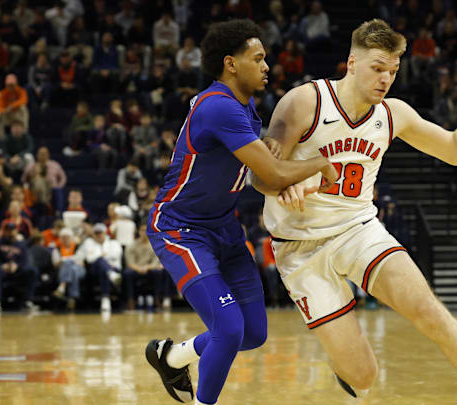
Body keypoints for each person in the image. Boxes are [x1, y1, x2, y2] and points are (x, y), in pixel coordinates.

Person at [254, 19, 457, 405]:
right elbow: (261, 175)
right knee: (364, 376)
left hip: (359, 230)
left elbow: (454, 149)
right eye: (377, 68)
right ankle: (346, 365)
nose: (386, 79)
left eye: (393, 71)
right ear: (351, 63)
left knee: (430, 310)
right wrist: (285, 180)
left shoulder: (393, 113)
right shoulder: (305, 102)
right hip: (300, 248)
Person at [144, 19, 338, 405]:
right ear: (231, 64)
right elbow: (272, 173)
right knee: (229, 330)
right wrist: (321, 163)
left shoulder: (245, 110)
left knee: (252, 333)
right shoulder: (219, 107)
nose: (268, 66)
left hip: (225, 230)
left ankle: (172, 355)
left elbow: (260, 170)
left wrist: (265, 143)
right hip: (181, 229)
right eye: (259, 58)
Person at [0, 222, 38, 312]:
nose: (10, 232)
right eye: (8, 230)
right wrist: (2, 265)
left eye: (12, 230)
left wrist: (17, 266)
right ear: (5, 232)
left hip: (17, 271)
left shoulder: (21, 245)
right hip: (3, 270)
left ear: (16, 231)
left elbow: (25, 261)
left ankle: (28, 300)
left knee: (32, 270)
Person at [76, 223, 122, 312]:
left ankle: (105, 300)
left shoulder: (114, 243)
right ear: (93, 234)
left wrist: (98, 256)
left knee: (103, 268)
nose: (99, 235)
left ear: (105, 233)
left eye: (100, 233)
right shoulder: (88, 242)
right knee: (101, 262)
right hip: (95, 270)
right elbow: (89, 259)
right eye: (96, 233)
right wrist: (102, 256)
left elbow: (116, 255)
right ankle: (110, 275)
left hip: (113, 267)